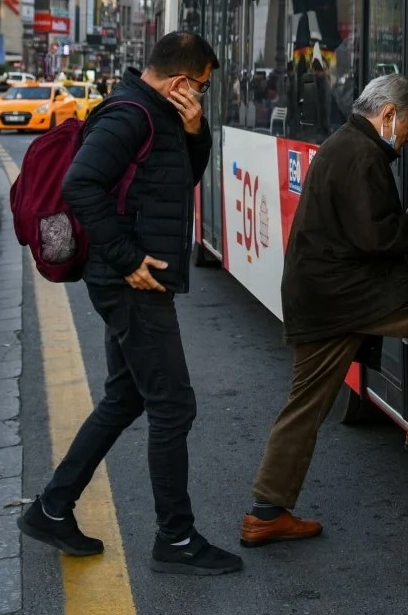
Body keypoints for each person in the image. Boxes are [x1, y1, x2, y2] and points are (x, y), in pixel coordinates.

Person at [16, 31, 243, 576]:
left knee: (126, 396)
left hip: (133, 280)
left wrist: (194, 131)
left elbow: (176, 182)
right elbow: (80, 183)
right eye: (203, 89)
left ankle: (52, 507)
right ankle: (176, 539)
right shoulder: (130, 116)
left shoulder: (158, 114)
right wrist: (127, 260)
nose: (204, 96)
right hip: (130, 284)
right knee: (173, 404)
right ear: (182, 81)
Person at [241, 74, 408, 547]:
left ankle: (266, 512)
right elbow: (378, 238)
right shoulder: (361, 155)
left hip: (319, 296)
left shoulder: (346, 145)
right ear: (388, 115)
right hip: (347, 296)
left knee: (305, 405)